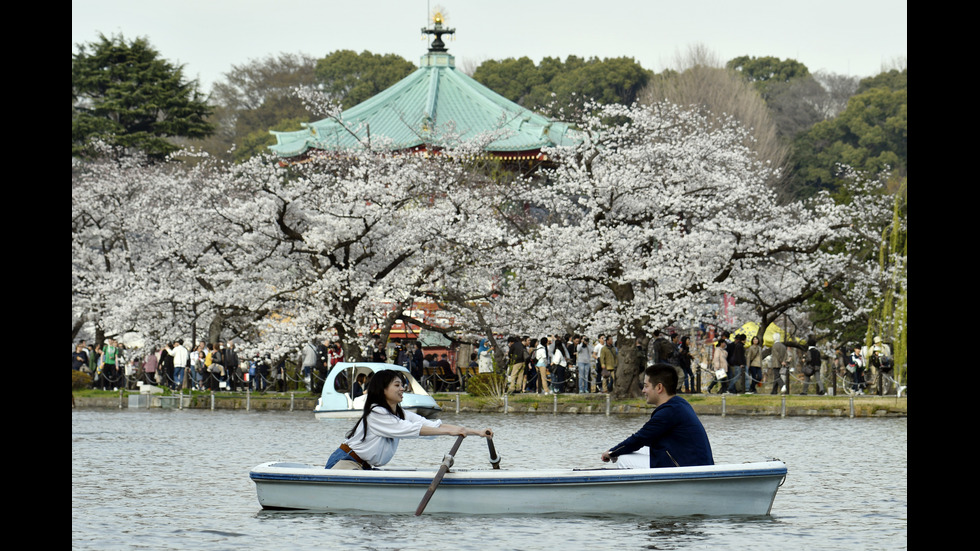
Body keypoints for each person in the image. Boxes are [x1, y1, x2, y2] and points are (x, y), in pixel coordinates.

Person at [325, 370, 493, 469]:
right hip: (346, 462)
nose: (402, 389)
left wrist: (476, 432)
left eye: (401, 385)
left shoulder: (399, 412)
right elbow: (410, 430)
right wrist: (450, 431)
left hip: (363, 466)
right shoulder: (376, 413)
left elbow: (432, 425)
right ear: (383, 390)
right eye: (397, 385)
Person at [601, 364, 713, 469]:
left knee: (623, 460)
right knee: (641, 449)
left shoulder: (668, 412)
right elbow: (643, 441)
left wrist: (612, 452)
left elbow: (639, 438)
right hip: (693, 463)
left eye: (646, 386)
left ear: (659, 387)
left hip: (688, 469)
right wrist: (618, 451)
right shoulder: (679, 404)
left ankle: (644, 489)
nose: (643, 390)